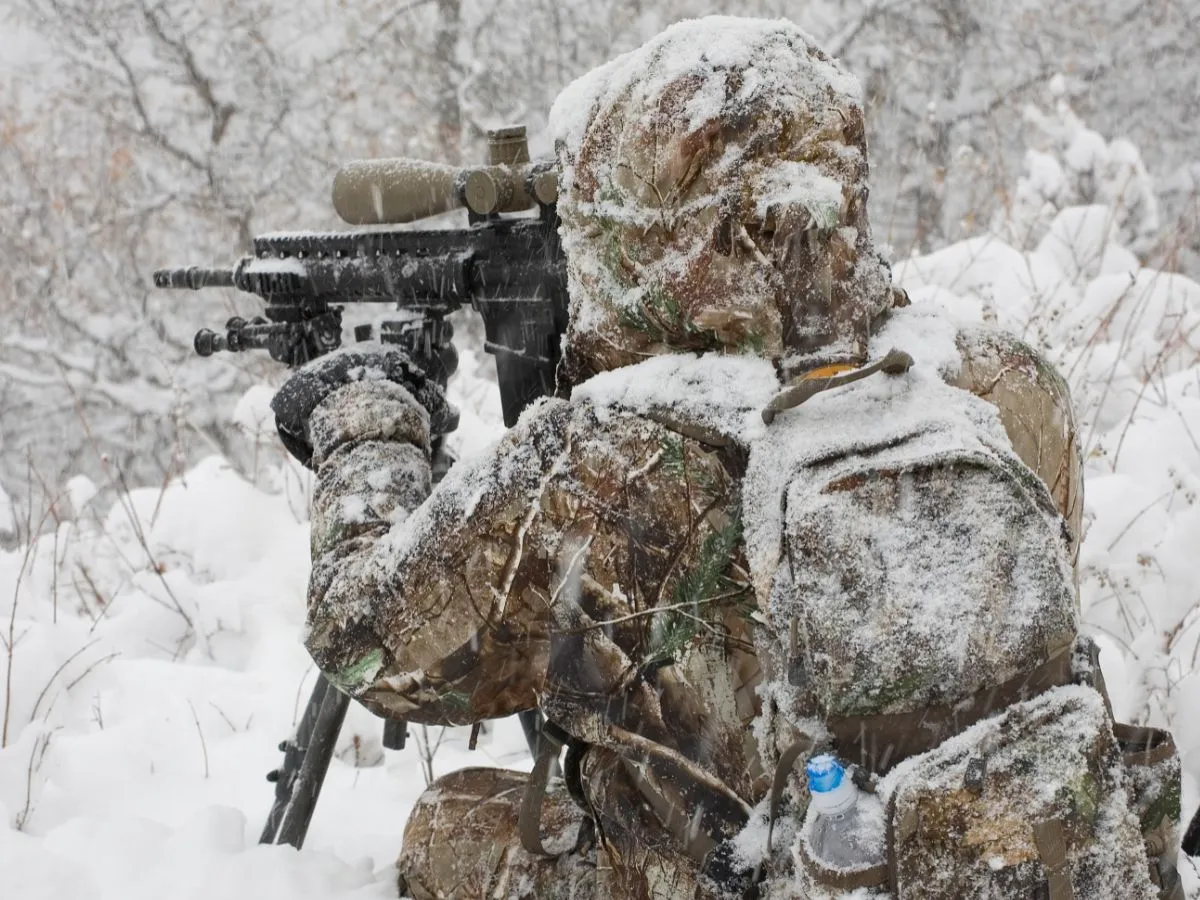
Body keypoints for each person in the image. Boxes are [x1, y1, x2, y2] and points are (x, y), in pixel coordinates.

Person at [271, 16, 1181, 899]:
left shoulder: (603, 463)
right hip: (1005, 858)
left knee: (449, 818)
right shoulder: (1002, 384)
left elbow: (365, 642)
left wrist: (367, 420)